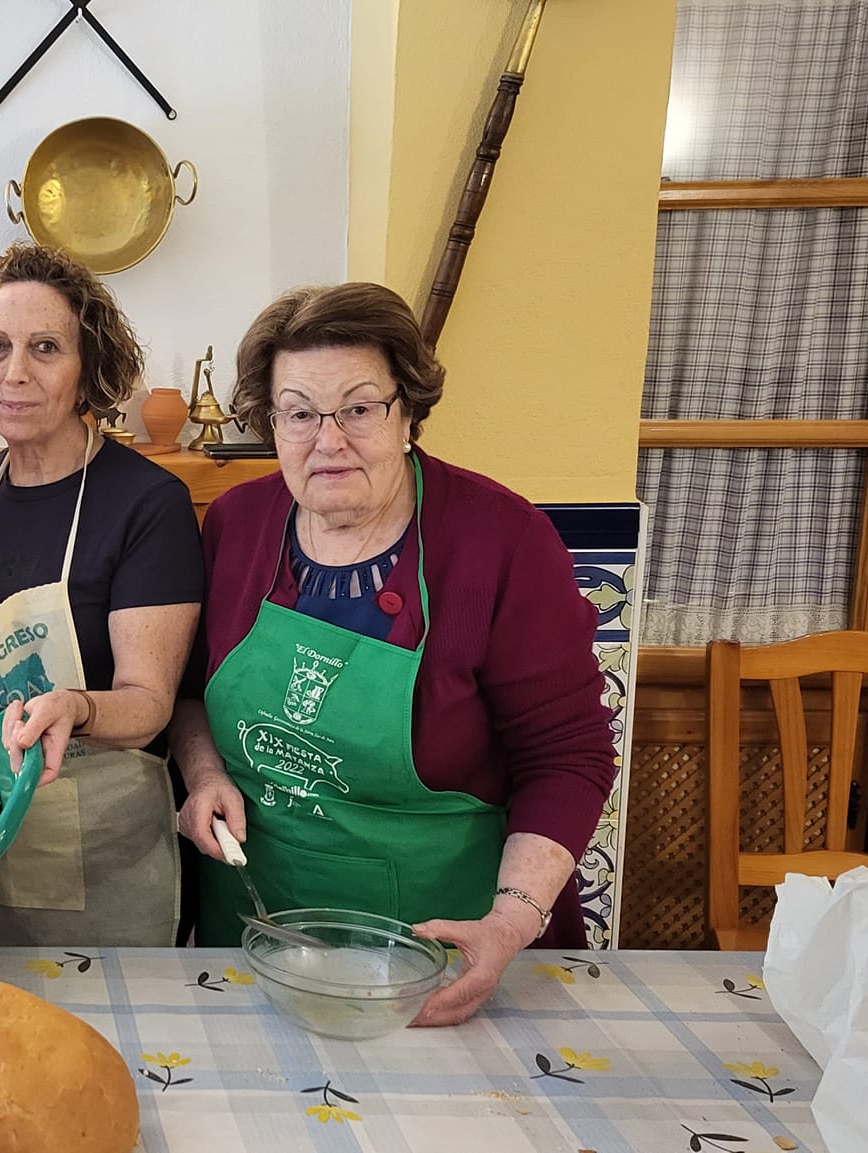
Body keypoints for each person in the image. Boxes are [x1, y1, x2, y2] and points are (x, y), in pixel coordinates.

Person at [168, 282, 616, 1025]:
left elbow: (569, 755)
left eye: (359, 407)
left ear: (407, 410)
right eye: (301, 412)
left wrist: (507, 925)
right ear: (271, 423)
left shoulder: (501, 542)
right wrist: (205, 773)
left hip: (445, 957)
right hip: (256, 941)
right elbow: (188, 694)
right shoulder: (236, 525)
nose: (329, 439)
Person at [0, 242, 203, 946]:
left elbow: (148, 707)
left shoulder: (147, 503)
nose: (15, 373)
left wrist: (73, 707)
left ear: (89, 370)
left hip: (100, 834)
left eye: (46, 347)